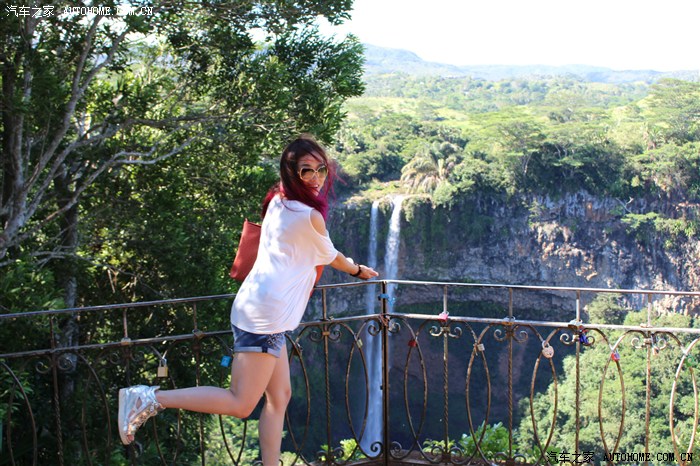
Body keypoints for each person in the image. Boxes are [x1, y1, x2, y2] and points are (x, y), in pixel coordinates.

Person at [118, 135, 378, 465]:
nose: (316, 178)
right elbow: (333, 257)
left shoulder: (278, 200)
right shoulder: (308, 216)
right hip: (265, 317)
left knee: (279, 396)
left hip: (261, 309)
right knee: (241, 403)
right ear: (291, 172)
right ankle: (148, 398)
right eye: (306, 170)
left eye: (321, 169)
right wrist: (358, 270)